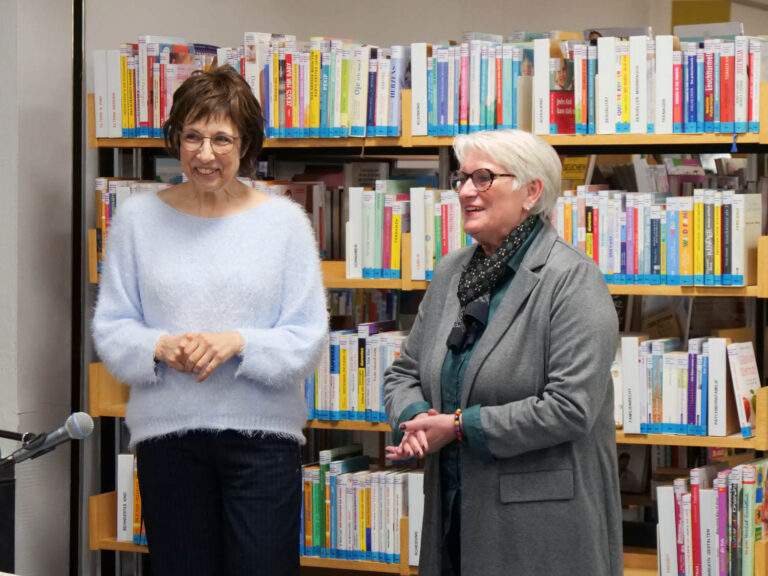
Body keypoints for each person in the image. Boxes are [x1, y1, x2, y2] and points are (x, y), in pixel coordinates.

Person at [92, 66, 328, 576]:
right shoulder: (136, 219)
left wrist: (237, 342)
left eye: (221, 139)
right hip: (168, 439)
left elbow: (307, 337)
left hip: (262, 443)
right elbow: (111, 327)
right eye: (192, 136)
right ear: (175, 139)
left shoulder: (284, 222)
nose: (204, 154)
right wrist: (158, 346)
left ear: (246, 145)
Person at [383, 129, 622, 576]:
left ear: (531, 191)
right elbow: (404, 372)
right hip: (453, 513)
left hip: (539, 531)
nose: (466, 191)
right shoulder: (451, 272)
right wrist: (416, 422)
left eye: (483, 177)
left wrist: (457, 428)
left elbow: (570, 408)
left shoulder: (572, 279)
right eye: (462, 179)